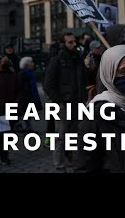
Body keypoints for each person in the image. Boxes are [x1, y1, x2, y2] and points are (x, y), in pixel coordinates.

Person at [43, 32, 87, 170]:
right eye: (70, 42)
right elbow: (48, 85)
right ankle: (59, 162)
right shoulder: (57, 60)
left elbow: (83, 80)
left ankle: (71, 159)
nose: (74, 44)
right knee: (61, 135)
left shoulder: (78, 59)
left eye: (74, 41)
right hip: (63, 104)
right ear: (63, 44)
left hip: (77, 102)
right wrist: (59, 101)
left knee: (75, 134)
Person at [17, 57, 42, 133]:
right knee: (26, 114)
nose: (33, 64)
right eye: (31, 62)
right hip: (26, 97)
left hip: (28, 97)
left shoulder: (28, 73)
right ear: (27, 64)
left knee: (27, 114)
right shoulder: (24, 74)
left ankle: (28, 128)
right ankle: (27, 128)